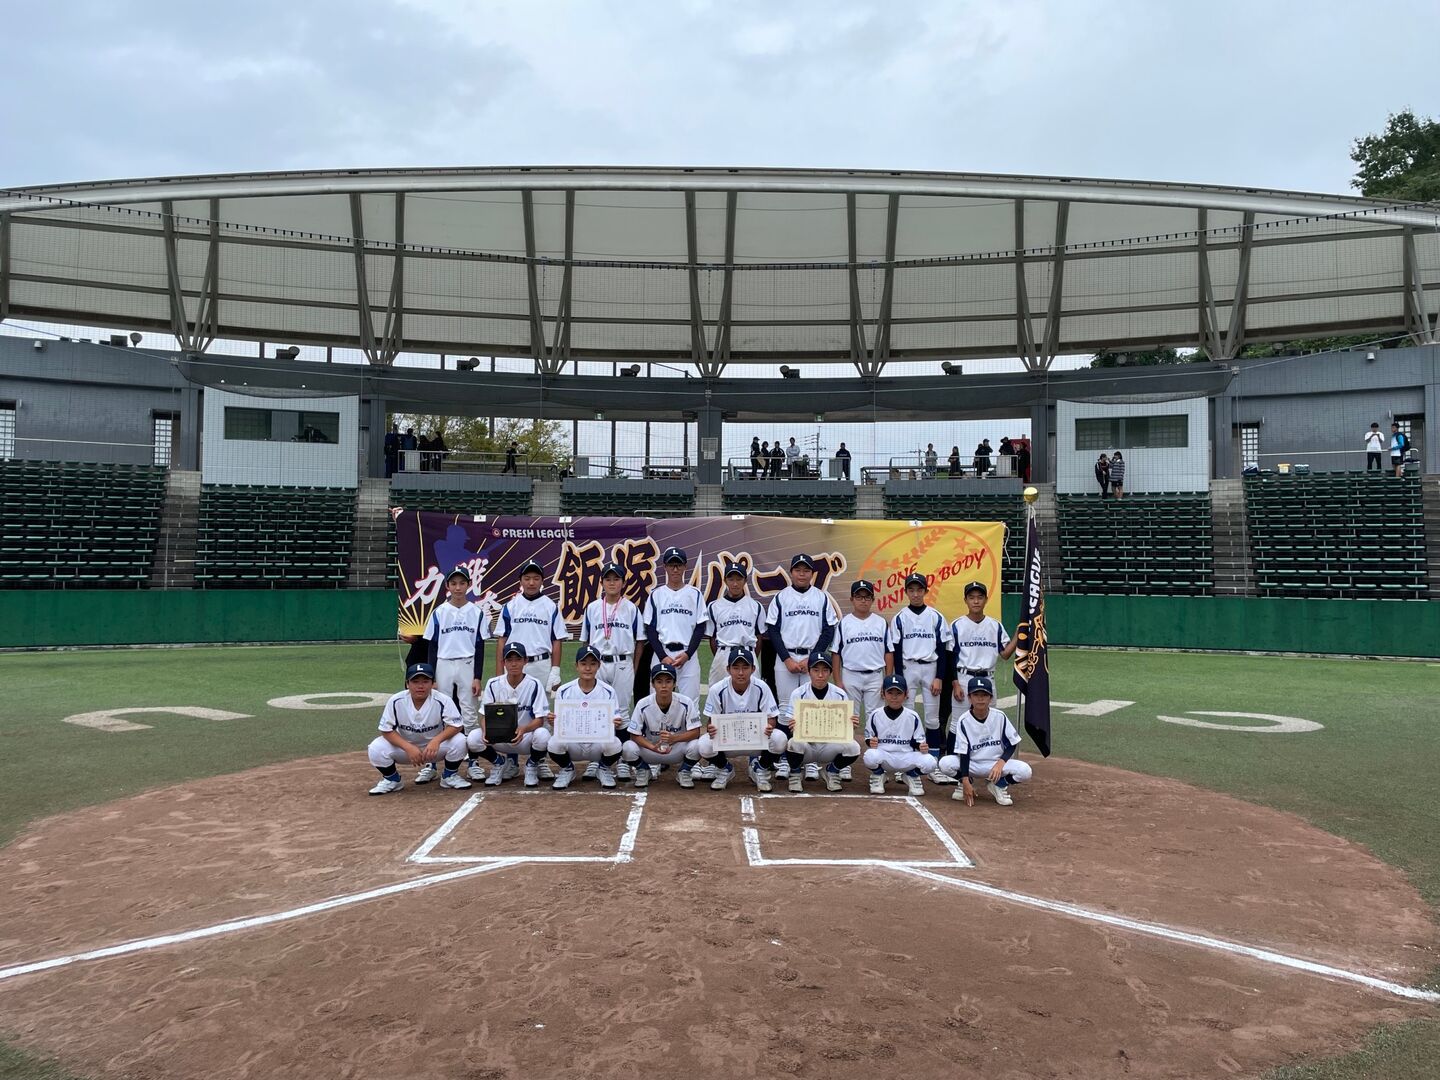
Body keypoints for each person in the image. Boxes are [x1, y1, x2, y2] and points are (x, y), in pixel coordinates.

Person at [417, 567, 487, 780]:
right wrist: (432, 677)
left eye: (462, 583)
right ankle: (431, 764)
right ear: (447, 586)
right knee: (439, 712)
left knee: (469, 713)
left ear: (468, 585)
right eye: (454, 583)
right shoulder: (440, 612)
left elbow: (480, 646)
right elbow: (432, 646)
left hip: (467, 663)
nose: (458, 588)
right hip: (443, 663)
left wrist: (477, 676)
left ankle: (473, 762)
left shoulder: (476, 612)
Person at [366, 663, 472, 794]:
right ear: (407, 684)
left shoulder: (443, 700)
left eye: (425, 681)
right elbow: (386, 730)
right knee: (376, 748)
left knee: (460, 741)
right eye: (415, 681)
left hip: (434, 749)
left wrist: (436, 740)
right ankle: (392, 780)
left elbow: (456, 725)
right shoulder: (396, 700)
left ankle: (449, 776)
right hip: (406, 749)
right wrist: (408, 747)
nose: (420, 686)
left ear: (433, 684)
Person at [579, 562, 643, 779]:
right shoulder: (592, 608)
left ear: (623, 583)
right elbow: (586, 641)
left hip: (623, 662)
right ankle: (596, 760)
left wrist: (633, 666)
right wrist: (587, 667)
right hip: (597, 663)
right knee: (597, 710)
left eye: (617, 579)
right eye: (608, 579)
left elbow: (640, 641)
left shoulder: (631, 608)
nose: (612, 583)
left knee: (622, 713)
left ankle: (623, 760)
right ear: (602, 582)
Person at [938, 676, 1032, 806]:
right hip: (972, 764)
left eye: (984, 695)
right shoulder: (964, 720)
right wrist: (965, 780)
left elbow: (1012, 743)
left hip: (995, 764)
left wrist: (1000, 763)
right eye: (976, 695)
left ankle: (998, 785)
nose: (980, 699)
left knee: (1025, 771)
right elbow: (964, 753)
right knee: (945, 763)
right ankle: (967, 784)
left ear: (990, 698)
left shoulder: (1000, 716)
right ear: (969, 698)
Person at [888, 571, 952, 762]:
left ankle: (932, 760)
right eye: (911, 590)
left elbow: (942, 650)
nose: (915, 594)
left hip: (930, 668)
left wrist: (939, 677)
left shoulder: (935, 616)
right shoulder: (900, 617)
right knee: (907, 715)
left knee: (932, 718)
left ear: (925, 591)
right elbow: (896, 651)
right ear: (906, 592)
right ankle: (906, 757)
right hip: (908, 668)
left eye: (919, 589)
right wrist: (900, 680)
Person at [696, 647, 780, 790]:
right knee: (704, 745)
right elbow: (711, 721)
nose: (741, 673)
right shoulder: (717, 689)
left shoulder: (762, 687)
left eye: (745, 668)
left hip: (755, 741)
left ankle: (760, 769)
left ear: (753, 669)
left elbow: (772, 718)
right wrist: (711, 728)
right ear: (728, 669)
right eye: (736, 668)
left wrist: (769, 727)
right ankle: (725, 769)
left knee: (780, 739)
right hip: (728, 742)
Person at [468, 643, 551, 787]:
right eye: (509, 660)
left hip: (525, 737)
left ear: (525, 661)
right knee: (473, 738)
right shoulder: (493, 683)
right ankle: (499, 763)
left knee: (543, 735)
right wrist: (486, 730)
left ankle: (531, 765)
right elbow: (484, 715)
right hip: (499, 738)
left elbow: (540, 719)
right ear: (503, 663)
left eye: (518, 659)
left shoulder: (534, 684)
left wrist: (524, 729)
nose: (514, 664)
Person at [765, 553, 840, 707]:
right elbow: (773, 631)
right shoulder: (781, 597)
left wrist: (812, 658)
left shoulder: (821, 597)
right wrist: (787, 659)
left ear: (812, 574)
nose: (802, 574)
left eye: (806, 571)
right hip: (786, 658)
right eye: (798, 570)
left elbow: (828, 630)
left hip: (812, 658)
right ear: (791, 573)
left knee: (812, 705)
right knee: (785, 706)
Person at [547, 645, 625, 789]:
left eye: (592, 664)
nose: (588, 668)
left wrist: (615, 722)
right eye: (583, 664)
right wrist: (554, 721)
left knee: (615, 744)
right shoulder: (564, 690)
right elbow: (561, 722)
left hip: (597, 744)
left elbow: (616, 717)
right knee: (554, 743)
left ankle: (603, 768)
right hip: (574, 744)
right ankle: (567, 769)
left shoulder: (608, 691)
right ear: (576, 666)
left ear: (599, 666)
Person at [781, 652, 861, 792]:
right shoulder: (798, 693)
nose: (820, 675)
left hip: (829, 746)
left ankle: (831, 771)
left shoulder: (840, 694)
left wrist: (851, 725)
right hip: (807, 747)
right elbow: (791, 726)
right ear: (809, 671)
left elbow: (846, 729)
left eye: (825, 670)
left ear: (830, 672)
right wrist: (793, 726)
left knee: (853, 747)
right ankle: (795, 773)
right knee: (793, 743)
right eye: (816, 670)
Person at [833, 579, 890, 771]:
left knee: (876, 719)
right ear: (852, 599)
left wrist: (887, 680)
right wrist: (838, 680)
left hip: (875, 675)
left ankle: (877, 761)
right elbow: (836, 653)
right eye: (859, 597)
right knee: (849, 719)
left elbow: (888, 652)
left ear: (872, 599)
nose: (863, 601)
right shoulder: (844, 623)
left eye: (867, 597)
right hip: (851, 674)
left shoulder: (881, 622)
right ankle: (845, 763)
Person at [643, 546, 709, 704]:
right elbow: (650, 629)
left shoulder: (695, 594)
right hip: (662, 654)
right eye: (671, 565)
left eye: (679, 565)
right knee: (657, 702)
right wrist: (662, 656)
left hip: (687, 655)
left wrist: (688, 654)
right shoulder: (656, 595)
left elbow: (700, 627)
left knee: (690, 703)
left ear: (685, 567)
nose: (675, 569)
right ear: (665, 567)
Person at [623, 663, 703, 788]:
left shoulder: (686, 702)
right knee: (628, 747)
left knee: (698, 745)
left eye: (668, 681)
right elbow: (634, 735)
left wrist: (674, 738)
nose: (664, 686)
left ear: (675, 683)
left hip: (676, 750)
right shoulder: (643, 704)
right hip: (651, 750)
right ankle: (644, 770)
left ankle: (684, 771)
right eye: (659, 682)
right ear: (652, 684)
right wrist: (652, 747)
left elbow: (696, 732)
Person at [495, 560, 567, 695]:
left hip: (542, 665)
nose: (531, 583)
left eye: (536, 578)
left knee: (541, 705)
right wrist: (499, 674)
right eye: (527, 579)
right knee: (512, 704)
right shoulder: (510, 606)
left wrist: (555, 671)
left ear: (542, 581)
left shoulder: (551, 606)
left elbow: (557, 640)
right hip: (514, 664)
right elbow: (502, 640)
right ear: (520, 581)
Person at [948, 581, 1016, 718]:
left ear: (986, 600)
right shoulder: (957, 625)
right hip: (964, 678)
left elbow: (1005, 654)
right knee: (958, 721)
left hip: (988, 678)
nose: (976, 601)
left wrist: (1018, 636)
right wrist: (955, 684)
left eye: (980, 597)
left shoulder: (995, 625)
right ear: (965, 600)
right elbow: (951, 657)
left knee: (989, 719)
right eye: (971, 597)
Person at [862, 674, 935, 796]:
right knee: (869, 756)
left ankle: (911, 775)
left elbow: (918, 741)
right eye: (890, 693)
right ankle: (879, 775)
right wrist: (871, 742)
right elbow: (869, 737)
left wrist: (921, 746)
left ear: (906, 694)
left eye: (898, 693)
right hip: (885, 756)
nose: (894, 697)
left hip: (907, 756)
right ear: (883, 694)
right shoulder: (876, 714)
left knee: (930, 762)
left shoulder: (912, 716)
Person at [706, 563, 765, 703]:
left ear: (745, 581)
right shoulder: (714, 606)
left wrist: (751, 656)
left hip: (748, 653)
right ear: (725, 581)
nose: (735, 583)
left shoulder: (755, 606)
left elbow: (759, 637)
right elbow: (712, 638)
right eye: (731, 579)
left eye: (739, 579)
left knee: (752, 697)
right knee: (718, 696)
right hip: (723, 653)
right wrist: (721, 654)